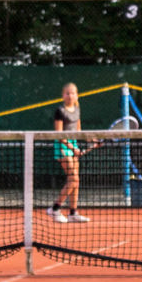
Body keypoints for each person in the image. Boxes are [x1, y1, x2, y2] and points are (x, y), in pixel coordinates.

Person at [49, 83, 89, 222]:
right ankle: (55, 208)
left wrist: (93, 139)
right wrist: (72, 148)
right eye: (67, 93)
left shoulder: (77, 109)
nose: (70, 95)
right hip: (62, 145)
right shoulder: (59, 111)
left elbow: (79, 131)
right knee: (73, 179)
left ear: (77, 95)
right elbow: (59, 134)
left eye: (72, 93)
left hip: (73, 145)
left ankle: (73, 213)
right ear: (62, 95)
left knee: (75, 181)